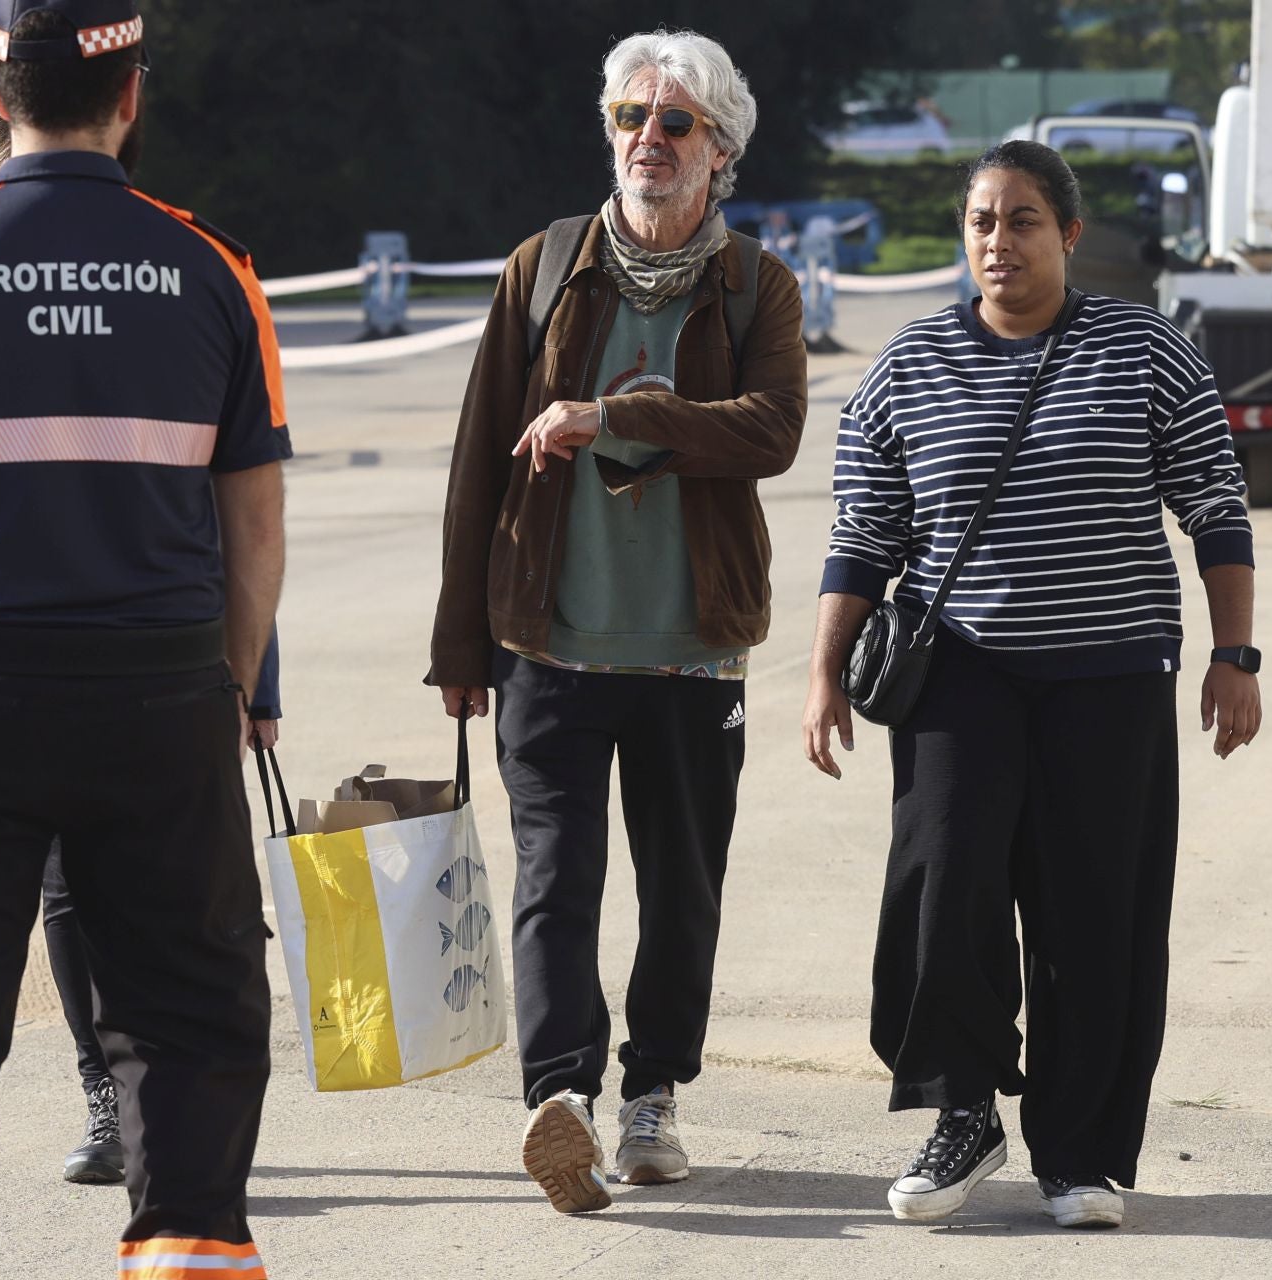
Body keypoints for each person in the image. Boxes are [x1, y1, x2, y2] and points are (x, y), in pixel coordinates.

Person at [0, 4, 287, 1276]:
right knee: (186, 1029)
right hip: (158, 696)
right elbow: (256, 532)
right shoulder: (213, 272)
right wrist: (228, 695)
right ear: (131, 95)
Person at [801, 140, 1263, 1231]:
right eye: (980, 223)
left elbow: (1217, 509)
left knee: (1095, 914)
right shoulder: (907, 365)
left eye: (1020, 221)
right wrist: (823, 672)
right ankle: (964, 1111)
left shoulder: (1145, 349)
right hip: (959, 680)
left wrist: (1233, 656)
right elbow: (863, 535)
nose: (997, 242)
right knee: (943, 892)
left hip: (1110, 680)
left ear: (1069, 234)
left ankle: (1084, 1152)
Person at [429, 28, 807, 1214]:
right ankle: (565, 1096)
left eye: (676, 122)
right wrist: (459, 643)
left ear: (721, 149)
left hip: (696, 646)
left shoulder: (757, 285)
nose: (648, 139)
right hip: (546, 637)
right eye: (629, 118)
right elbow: (479, 454)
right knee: (556, 877)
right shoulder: (543, 268)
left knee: (682, 886)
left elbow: (773, 431)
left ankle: (655, 1096)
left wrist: (621, 417)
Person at [0, 107, 285, 1189]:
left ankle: (163, 1103)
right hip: (14, 672)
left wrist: (255, 681)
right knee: (59, 894)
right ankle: (107, 1093)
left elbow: (236, 518)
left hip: (163, 661)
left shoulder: (172, 296)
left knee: (166, 906)